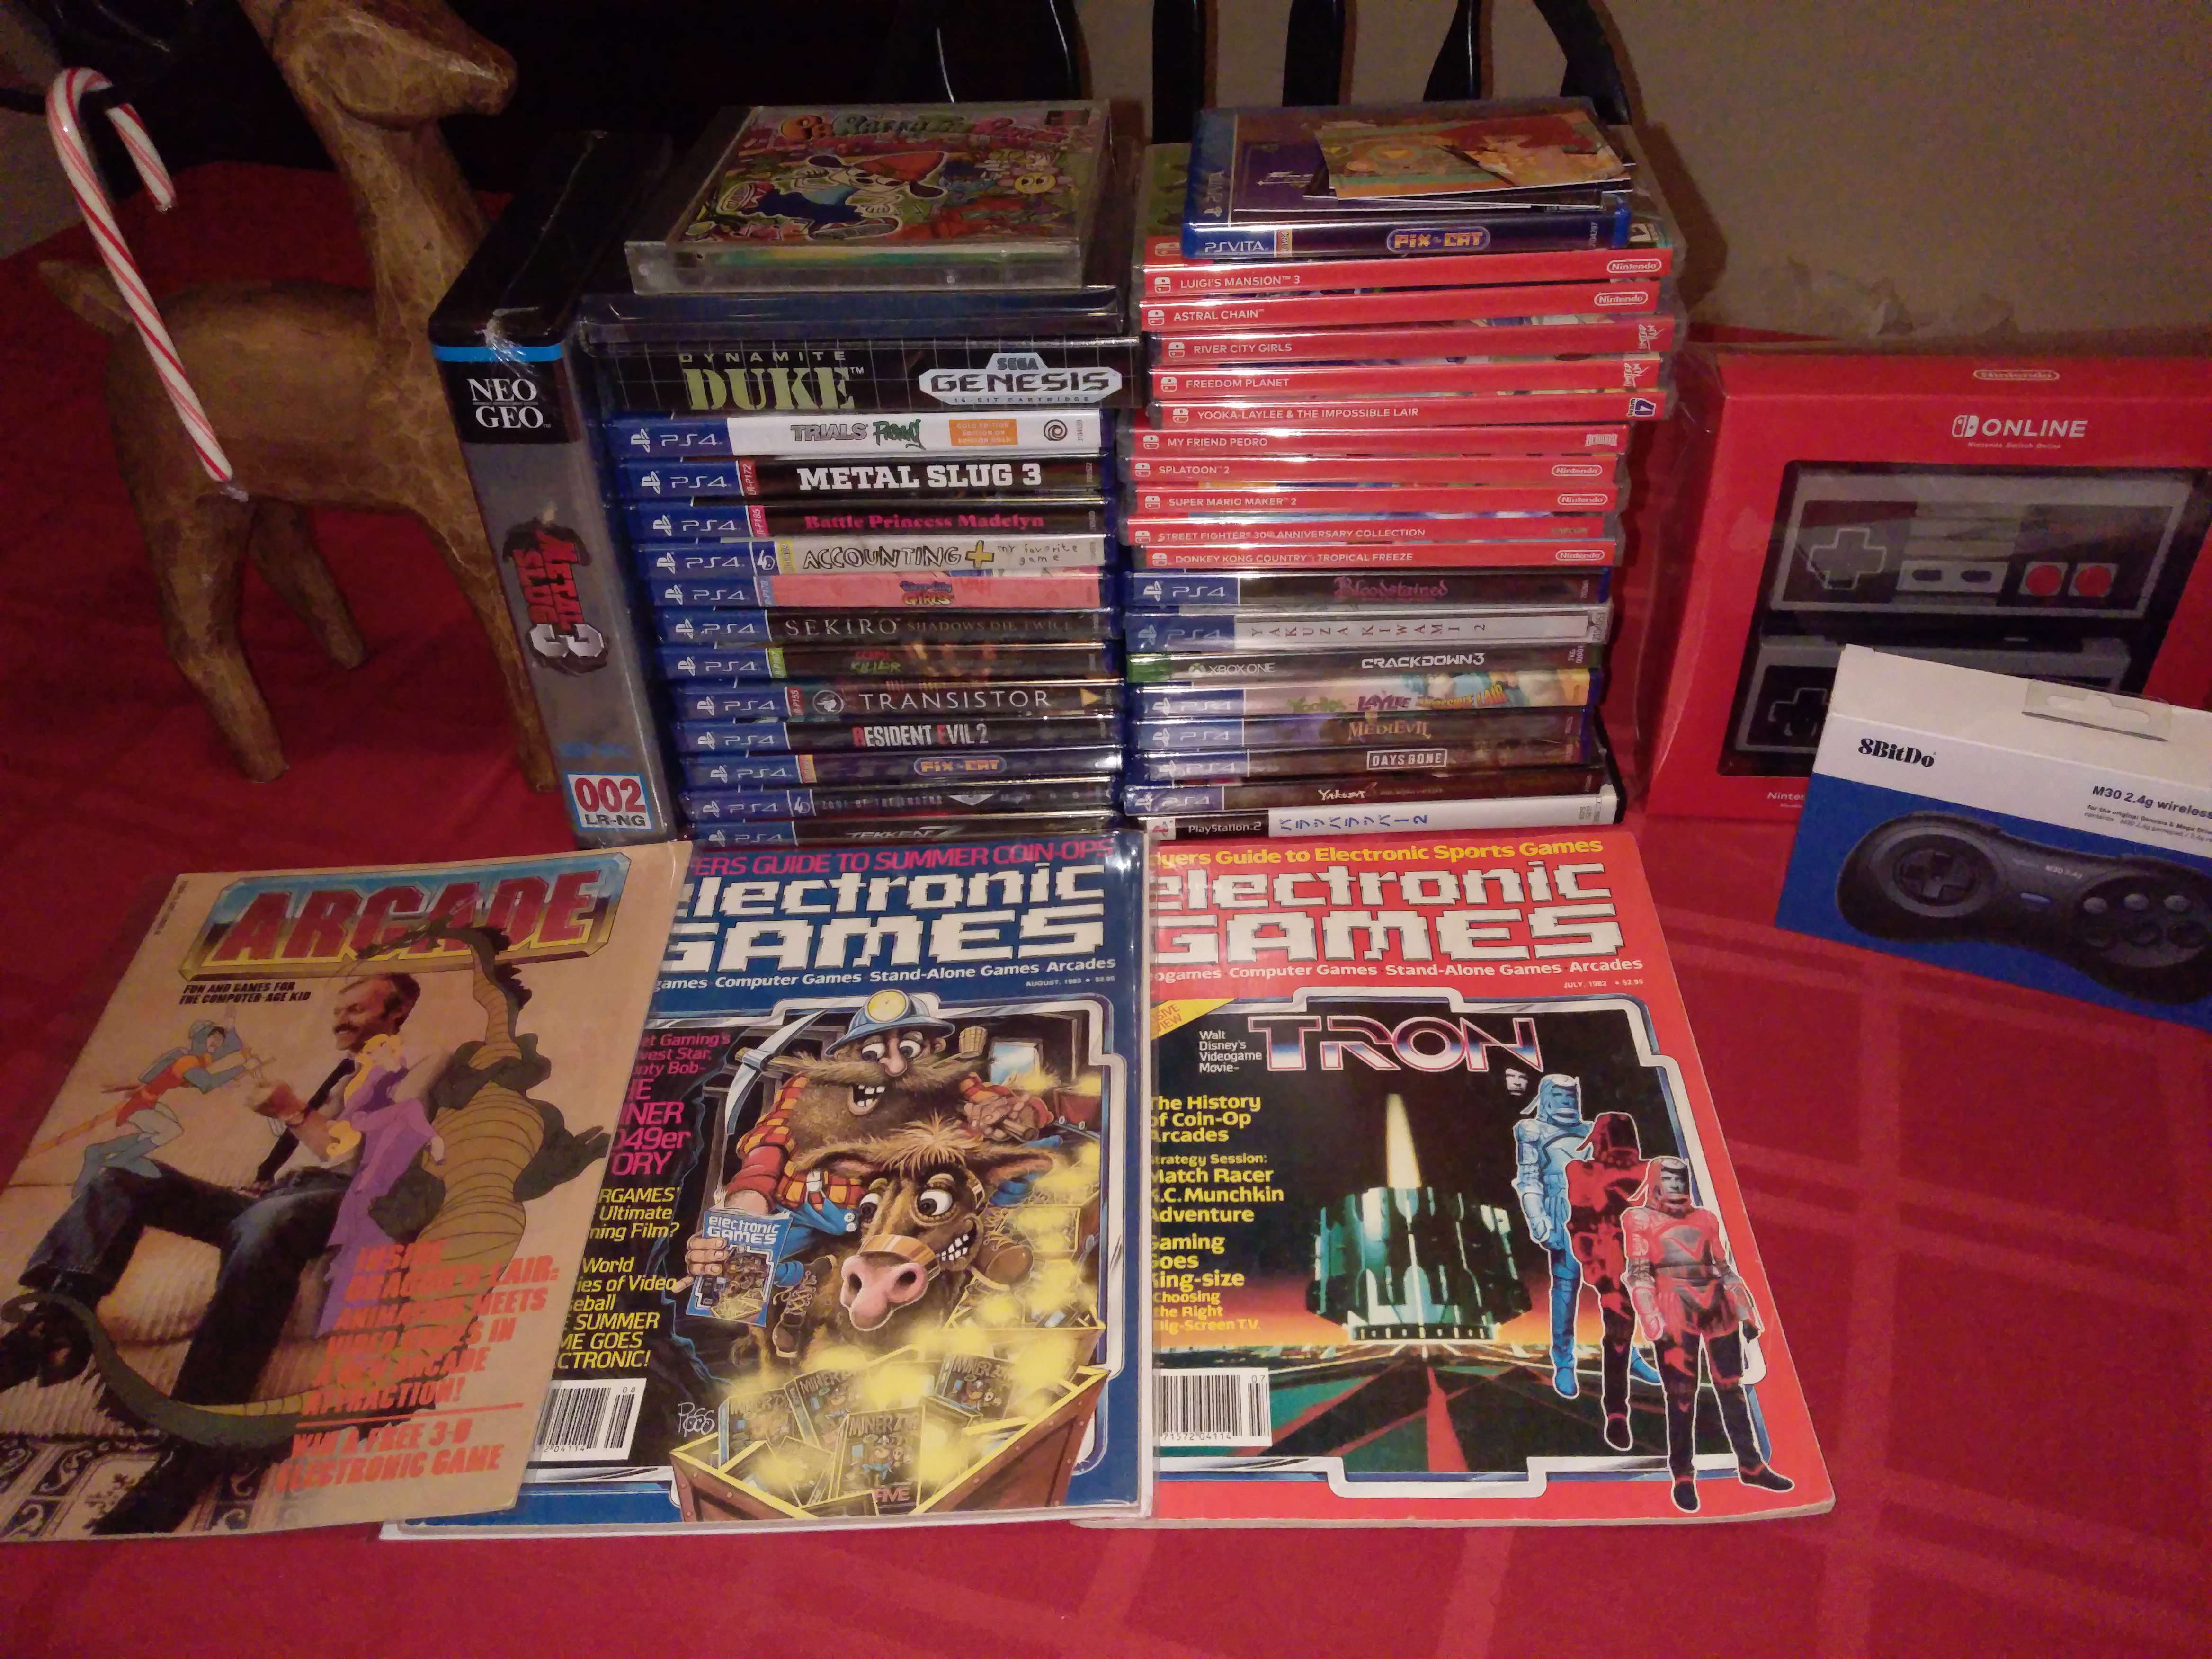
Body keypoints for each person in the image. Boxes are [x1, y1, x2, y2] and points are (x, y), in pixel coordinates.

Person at [0, 972, 442, 1534]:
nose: (341, 1020)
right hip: (279, 1195)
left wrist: (293, 1112)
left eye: (355, 1009)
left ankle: (193, 1447)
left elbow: (380, 1160)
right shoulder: (340, 1071)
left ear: (398, 1011)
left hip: (351, 1198)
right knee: (122, 1175)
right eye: (339, 1010)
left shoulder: (421, 1063)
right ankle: (54, 1327)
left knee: (267, 1223)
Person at [1622, 1157, 1795, 1513]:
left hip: (1717, 1303)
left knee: (1731, 1387)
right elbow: (1638, 1274)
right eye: (1669, 1179)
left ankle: (1751, 1466)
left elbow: (1724, 1268)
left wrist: (1745, 1311)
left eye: (1681, 1179)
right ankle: (1683, 1475)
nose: (1676, 1185)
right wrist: (1653, 1320)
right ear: (1656, 1181)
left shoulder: (1705, 1218)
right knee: (1681, 1395)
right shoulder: (1639, 1218)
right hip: (1673, 1304)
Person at [1564, 1111, 1657, 1448]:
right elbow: (1579, 1225)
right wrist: (1595, 1268)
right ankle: (1617, 1413)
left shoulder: (1653, 1170)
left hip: (1655, 1254)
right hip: (1616, 1258)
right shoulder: (1584, 1172)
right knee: (1618, 1333)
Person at [1511, 1073, 1590, 1397]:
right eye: (1560, 1095)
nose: (1568, 1101)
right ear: (1545, 1098)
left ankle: (1629, 1354)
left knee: (1618, 1290)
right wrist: (1538, 1219)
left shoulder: (1592, 1129)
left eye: (1571, 1095)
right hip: (1562, 1212)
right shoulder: (1533, 1130)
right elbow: (1529, 1180)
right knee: (1567, 1289)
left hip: (1600, 1213)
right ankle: (1564, 1362)